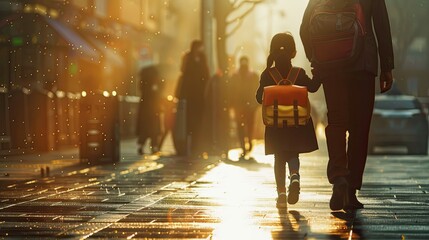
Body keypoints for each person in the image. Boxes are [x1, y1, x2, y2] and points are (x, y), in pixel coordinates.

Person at [300, 0, 394, 210]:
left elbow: (305, 27)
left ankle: (338, 176)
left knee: (337, 121)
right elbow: (381, 24)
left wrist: (317, 58)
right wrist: (387, 65)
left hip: (331, 65)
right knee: (359, 129)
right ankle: (351, 190)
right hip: (363, 64)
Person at [256, 33, 321, 208]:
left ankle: (281, 195)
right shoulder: (298, 73)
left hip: (275, 125)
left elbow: (258, 98)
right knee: (293, 153)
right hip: (296, 125)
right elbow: (314, 87)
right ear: (293, 53)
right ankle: (294, 176)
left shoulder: (267, 74)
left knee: (279, 157)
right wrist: (320, 71)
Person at [176, 40, 210, 156]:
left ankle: (197, 147)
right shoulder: (188, 57)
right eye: (200, 47)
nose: (201, 49)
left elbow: (206, 74)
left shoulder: (203, 58)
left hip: (199, 96)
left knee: (198, 122)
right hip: (188, 95)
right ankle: (186, 146)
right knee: (188, 121)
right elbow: (183, 71)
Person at [230, 56, 259, 160]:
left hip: (250, 106)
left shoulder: (253, 76)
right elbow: (231, 91)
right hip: (239, 106)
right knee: (240, 127)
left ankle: (249, 142)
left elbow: (258, 90)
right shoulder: (235, 76)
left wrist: (256, 104)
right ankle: (243, 146)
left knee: (249, 126)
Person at [136, 65, 163, 155]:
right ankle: (154, 146)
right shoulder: (154, 85)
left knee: (144, 129)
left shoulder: (143, 84)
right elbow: (158, 95)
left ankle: (141, 145)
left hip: (144, 109)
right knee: (154, 128)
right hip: (153, 109)